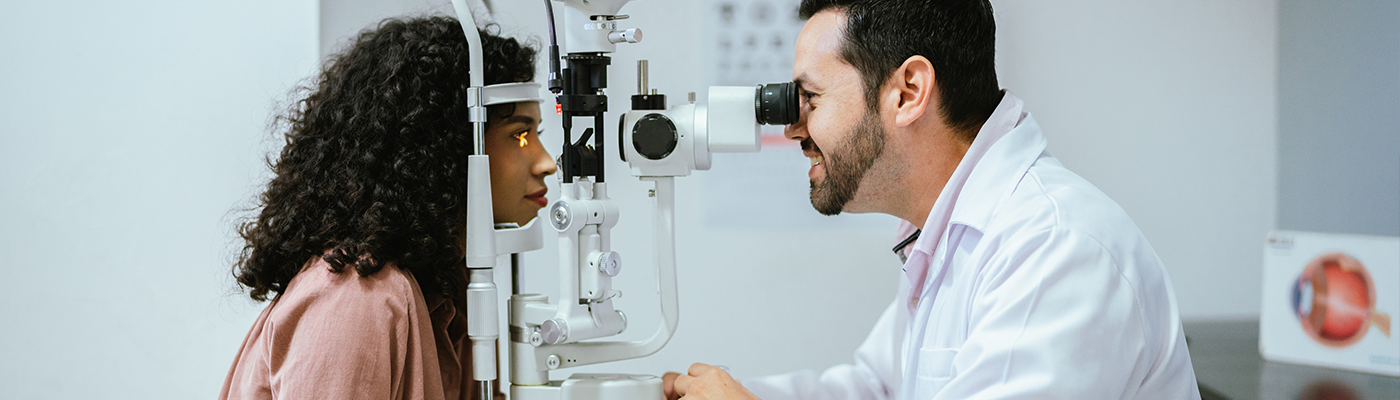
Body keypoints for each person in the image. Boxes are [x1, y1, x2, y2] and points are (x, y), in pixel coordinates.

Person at [665, 0, 1200, 399]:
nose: (792, 129)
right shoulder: (945, 232)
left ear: (908, 92)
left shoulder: (1054, 250)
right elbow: (878, 387)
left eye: (809, 98)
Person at [220, 16, 556, 400]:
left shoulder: (448, 287)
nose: (547, 162)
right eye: (521, 134)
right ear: (447, 143)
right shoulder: (357, 299)